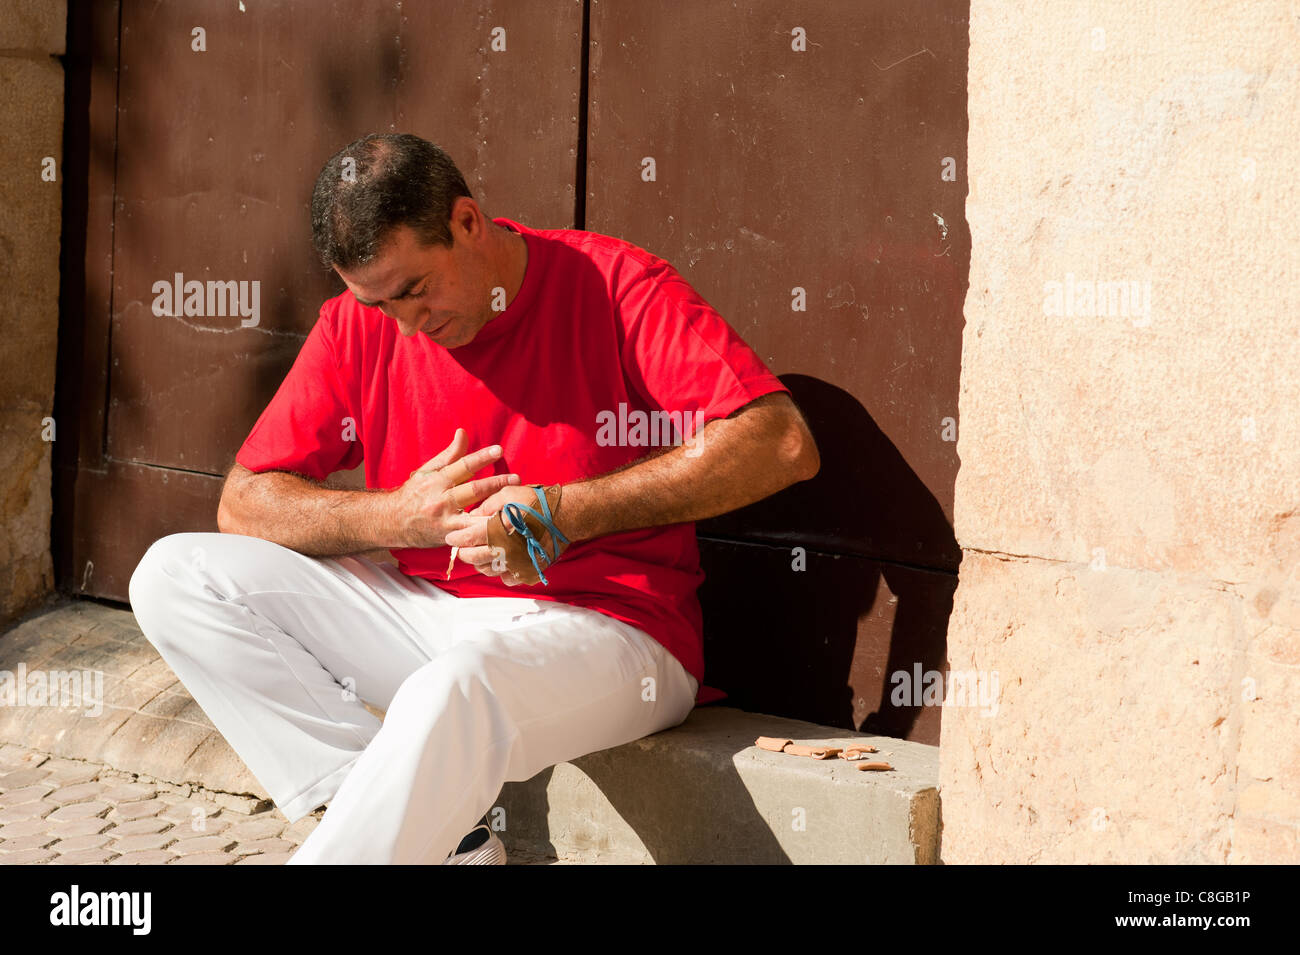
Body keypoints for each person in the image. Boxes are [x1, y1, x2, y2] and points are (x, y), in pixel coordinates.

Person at [127, 133, 820, 864]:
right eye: (378, 302)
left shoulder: (617, 283)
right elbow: (244, 502)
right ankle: (448, 840)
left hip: (617, 631)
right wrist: (396, 516)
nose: (406, 324)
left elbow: (780, 442)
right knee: (173, 577)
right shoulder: (363, 321)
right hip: (430, 617)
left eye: (416, 289)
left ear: (466, 221)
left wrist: (562, 512)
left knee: (445, 690)